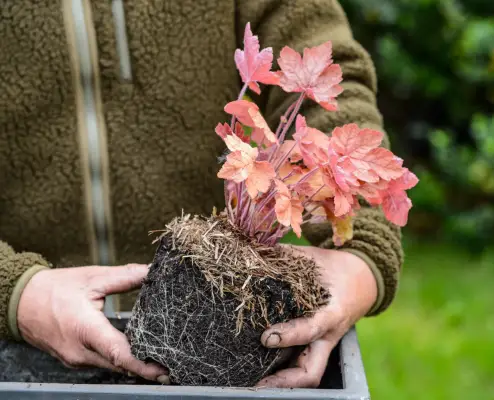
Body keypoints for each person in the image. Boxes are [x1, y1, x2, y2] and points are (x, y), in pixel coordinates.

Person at [0, 0, 404, 388]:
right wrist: (14, 291)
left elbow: (334, 80)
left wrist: (361, 254)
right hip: (20, 352)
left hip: (235, 349)